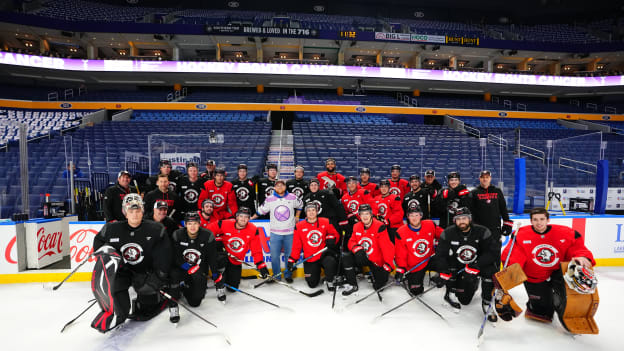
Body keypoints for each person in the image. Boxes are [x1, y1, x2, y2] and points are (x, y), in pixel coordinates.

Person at [499, 207, 596, 324]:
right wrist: (510, 274)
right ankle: (536, 306)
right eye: (535, 219)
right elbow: (514, 255)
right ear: (531, 221)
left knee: (572, 296)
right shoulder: (521, 235)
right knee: (542, 311)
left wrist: (582, 256)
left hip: (558, 272)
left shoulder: (565, 233)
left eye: (542, 219)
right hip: (535, 274)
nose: (539, 223)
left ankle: (564, 306)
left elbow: (577, 247)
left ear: (548, 220)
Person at [91, 193, 172, 332]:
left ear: (143, 211)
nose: (135, 214)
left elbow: (165, 256)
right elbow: (99, 241)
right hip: (123, 271)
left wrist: (158, 277)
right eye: (131, 211)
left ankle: (154, 295)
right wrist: (104, 253)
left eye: (138, 210)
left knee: (146, 306)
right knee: (120, 308)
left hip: (145, 272)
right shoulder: (111, 228)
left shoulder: (155, 229)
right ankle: (118, 310)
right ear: (125, 212)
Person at [435, 207, 499, 320]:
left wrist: (477, 265)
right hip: (458, 266)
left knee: (490, 270)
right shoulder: (448, 233)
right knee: (464, 300)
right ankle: (450, 293)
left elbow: (492, 252)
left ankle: (487, 301)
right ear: (455, 220)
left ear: (470, 219)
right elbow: (440, 255)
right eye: (458, 219)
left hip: (476, 265)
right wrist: (442, 271)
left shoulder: (482, 231)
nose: (462, 221)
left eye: (464, 218)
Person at [168, 212, 222, 323]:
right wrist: (187, 267)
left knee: (195, 303)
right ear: (185, 224)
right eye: (189, 223)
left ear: (199, 224)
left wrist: (216, 274)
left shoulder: (207, 235)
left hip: (199, 270)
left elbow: (212, 257)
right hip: (182, 268)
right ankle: (173, 305)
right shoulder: (178, 234)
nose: (192, 226)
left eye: (195, 223)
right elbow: (174, 256)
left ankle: (185, 289)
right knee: (174, 275)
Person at [252, 179, 302, 283]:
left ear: (285, 187)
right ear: (274, 188)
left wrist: (297, 215)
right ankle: (277, 276)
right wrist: (251, 219)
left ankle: (288, 275)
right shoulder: (270, 199)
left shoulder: (292, 197)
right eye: (277, 186)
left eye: (282, 185)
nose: (280, 187)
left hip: (290, 233)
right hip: (275, 233)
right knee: (274, 256)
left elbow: (300, 205)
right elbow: (261, 211)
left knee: (289, 256)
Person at [341, 204, 395, 296]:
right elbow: (351, 241)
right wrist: (357, 249)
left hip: (376, 260)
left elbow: (387, 247)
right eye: (362, 214)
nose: (365, 216)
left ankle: (376, 275)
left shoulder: (379, 226)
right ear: (359, 215)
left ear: (371, 214)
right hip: (362, 257)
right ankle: (352, 284)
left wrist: (388, 264)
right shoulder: (356, 226)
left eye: (367, 214)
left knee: (379, 286)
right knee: (346, 257)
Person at [211, 207, 269, 290]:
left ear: (249, 219)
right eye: (241, 216)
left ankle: (226, 277)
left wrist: (261, 265)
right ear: (237, 217)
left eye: (246, 217)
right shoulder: (224, 224)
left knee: (232, 288)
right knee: (220, 257)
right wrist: (215, 241)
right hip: (223, 257)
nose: (243, 219)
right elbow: (208, 232)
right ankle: (219, 274)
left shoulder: (253, 230)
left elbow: (256, 250)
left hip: (236, 260)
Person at [287, 203, 340, 290]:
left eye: (313, 210)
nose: (311, 212)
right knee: (312, 284)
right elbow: (296, 246)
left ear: (317, 211)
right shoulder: (299, 226)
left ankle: (330, 280)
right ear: (306, 213)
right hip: (310, 257)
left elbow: (335, 234)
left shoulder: (325, 222)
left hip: (323, 254)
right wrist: (292, 260)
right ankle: (316, 272)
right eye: (308, 210)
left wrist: (331, 238)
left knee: (330, 261)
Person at [395, 206, 443, 295]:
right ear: (408, 217)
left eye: (417, 215)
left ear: (421, 216)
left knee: (446, 264)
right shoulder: (401, 232)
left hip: (430, 258)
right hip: (415, 265)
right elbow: (400, 253)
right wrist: (401, 268)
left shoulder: (430, 224)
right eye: (411, 215)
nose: (414, 218)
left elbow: (444, 236)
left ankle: (440, 278)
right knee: (416, 291)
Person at [470, 170, 513, 266]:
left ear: (490, 178)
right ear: (479, 178)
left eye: (487, 177)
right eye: (483, 177)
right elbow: (471, 212)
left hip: (495, 229)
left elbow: (503, 208)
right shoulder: (474, 193)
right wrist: (473, 227)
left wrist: (507, 224)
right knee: (480, 253)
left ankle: (495, 275)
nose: (485, 179)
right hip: (480, 230)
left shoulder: (497, 191)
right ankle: (480, 276)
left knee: (496, 253)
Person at [341, 176, 373, 242]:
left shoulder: (363, 192)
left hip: (365, 221)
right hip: (353, 224)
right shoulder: (344, 197)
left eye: (353, 183)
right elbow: (345, 212)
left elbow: (372, 206)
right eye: (349, 183)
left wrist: (371, 219)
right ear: (347, 185)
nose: (351, 185)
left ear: (357, 184)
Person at [372, 179, 404, 244]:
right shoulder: (376, 199)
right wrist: (377, 219)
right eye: (382, 187)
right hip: (381, 226)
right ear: (380, 188)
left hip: (393, 227)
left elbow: (399, 214)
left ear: (389, 188)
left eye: (385, 187)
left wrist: (387, 221)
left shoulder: (395, 198)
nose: (383, 189)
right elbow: (374, 212)